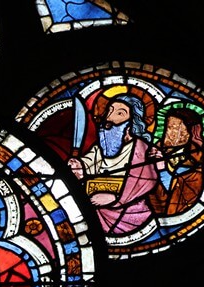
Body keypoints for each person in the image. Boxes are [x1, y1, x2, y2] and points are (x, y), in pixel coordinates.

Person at [68, 93, 161, 236]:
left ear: (131, 124)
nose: (109, 118)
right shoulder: (99, 148)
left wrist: (116, 199)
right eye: (109, 111)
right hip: (94, 213)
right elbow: (87, 163)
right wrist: (78, 166)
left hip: (132, 215)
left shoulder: (140, 148)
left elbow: (145, 181)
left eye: (119, 113)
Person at [147, 105, 204, 217]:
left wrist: (162, 170)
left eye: (174, 128)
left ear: (189, 133)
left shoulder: (195, 160)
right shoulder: (155, 151)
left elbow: (173, 197)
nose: (168, 133)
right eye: (167, 127)